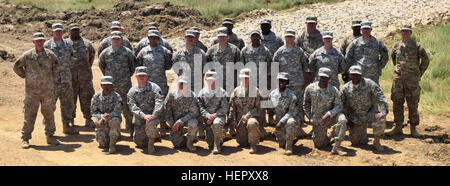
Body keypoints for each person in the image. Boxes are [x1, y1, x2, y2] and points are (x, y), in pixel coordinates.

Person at [14, 32, 60, 148]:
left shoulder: (50, 55)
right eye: (37, 41)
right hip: (32, 93)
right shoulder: (28, 55)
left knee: (49, 114)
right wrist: (25, 76)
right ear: (33, 42)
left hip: (47, 92)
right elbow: (16, 66)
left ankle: (50, 136)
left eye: (41, 40)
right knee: (29, 115)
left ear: (44, 42)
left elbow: (56, 68)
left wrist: (51, 81)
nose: (39, 42)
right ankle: (25, 138)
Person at [386, 24, 430, 138]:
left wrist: (418, 73)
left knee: (413, 104)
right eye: (403, 31)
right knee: (397, 103)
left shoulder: (417, 46)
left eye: (407, 31)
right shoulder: (396, 45)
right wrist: (398, 70)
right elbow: (393, 58)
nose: (405, 33)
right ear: (401, 33)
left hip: (412, 81)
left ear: (410, 33)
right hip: (398, 80)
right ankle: (398, 127)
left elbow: (426, 60)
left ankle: (413, 128)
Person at [99, 31, 137, 138]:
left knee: (127, 109)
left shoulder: (128, 52)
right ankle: (113, 132)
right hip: (110, 87)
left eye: (118, 39)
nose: (116, 41)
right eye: (114, 39)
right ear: (110, 40)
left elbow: (132, 66)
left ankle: (130, 130)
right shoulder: (105, 53)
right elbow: (102, 66)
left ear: (121, 40)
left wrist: (125, 76)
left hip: (125, 86)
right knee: (111, 109)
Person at [341, 65, 388, 151]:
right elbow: (342, 105)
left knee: (380, 119)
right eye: (353, 74)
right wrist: (347, 119)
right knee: (357, 143)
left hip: (369, 114)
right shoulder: (345, 88)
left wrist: (383, 112)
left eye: (357, 75)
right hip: (355, 117)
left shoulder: (369, 83)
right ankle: (362, 135)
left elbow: (381, 97)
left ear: (361, 75)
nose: (355, 76)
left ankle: (377, 142)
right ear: (349, 75)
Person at [273, 29, 309, 137]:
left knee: (298, 106)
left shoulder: (299, 51)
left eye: (291, 37)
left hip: (297, 83)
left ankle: (298, 128)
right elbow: (274, 67)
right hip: (284, 85)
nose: (289, 39)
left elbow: (305, 65)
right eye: (287, 37)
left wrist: (301, 79)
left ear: (294, 38)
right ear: (284, 38)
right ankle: (283, 128)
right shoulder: (279, 52)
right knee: (283, 106)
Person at [43, 23, 78, 135]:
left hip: (66, 80)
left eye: (60, 31)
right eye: (56, 31)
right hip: (52, 82)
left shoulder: (68, 44)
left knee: (67, 104)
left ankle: (66, 126)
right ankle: (49, 130)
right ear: (52, 32)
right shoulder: (47, 45)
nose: (58, 33)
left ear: (63, 32)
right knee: (49, 105)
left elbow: (71, 58)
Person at [304, 67, 348, 155]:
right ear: (318, 76)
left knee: (342, 119)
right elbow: (306, 104)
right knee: (320, 145)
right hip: (318, 119)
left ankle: (337, 147)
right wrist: (309, 117)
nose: (323, 79)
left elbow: (339, 106)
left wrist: (329, 114)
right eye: (322, 77)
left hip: (331, 117)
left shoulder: (334, 90)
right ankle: (330, 134)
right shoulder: (310, 88)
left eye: (326, 77)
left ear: (329, 78)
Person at [127, 66, 164, 154]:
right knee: (139, 143)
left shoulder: (155, 88)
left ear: (147, 76)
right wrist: (144, 116)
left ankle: (151, 143)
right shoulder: (132, 91)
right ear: (136, 76)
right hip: (140, 118)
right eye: (139, 76)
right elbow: (132, 106)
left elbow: (159, 103)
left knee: (150, 124)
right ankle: (155, 134)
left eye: (143, 75)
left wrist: (153, 115)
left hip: (152, 117)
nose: (142, 77)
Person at [240, 29, 273, 127]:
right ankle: (250, 122)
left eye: (257, 36)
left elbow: (269, 66)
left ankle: (262, 123)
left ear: (260, 37)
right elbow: (242, 66)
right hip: (249, 82)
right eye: (253, 36)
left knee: (262, 102)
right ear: (250, 38)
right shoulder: (245, 51)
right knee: (250, 103)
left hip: (262, 82)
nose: (255, 38)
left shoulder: (266, 51)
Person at [67, 23, 96, 128]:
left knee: (87, 99)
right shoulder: (65, 44)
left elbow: (91, 58)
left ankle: (88, 119)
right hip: (70, 79)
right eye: (73, 30)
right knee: (70, 99)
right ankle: (70, 120)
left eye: (77, 30)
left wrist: (84, 71)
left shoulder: (87, 44)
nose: (75, 32)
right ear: (69, 31)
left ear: (79, 31)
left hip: (85, 79)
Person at [229, 68, 264, 154]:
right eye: (243, 78)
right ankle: (247, 137)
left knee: (251, 123)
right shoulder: (236, 91)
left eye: (247, 78)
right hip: (240, 121)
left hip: (252, 119)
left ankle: (253, 145)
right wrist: (233, 121)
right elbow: (232, 108)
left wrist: (248, 116)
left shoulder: (256, 91)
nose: (245, 80)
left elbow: (259, 109)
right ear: (240, 78)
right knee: (242, 143)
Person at [197, 70, 229, 154]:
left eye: (213, 80)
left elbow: (225, 108)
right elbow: (200, 108)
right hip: (207, 119)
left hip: (218, 117)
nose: (211, 82)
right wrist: (207, 115)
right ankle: (220, 137)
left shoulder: (222, 92)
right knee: (209, 143)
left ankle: (217, 145)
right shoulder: (202, 93)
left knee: (216, 124)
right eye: (209, 80)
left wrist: (213, 116)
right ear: (206, 81)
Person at [165, 76, 200, 152]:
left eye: (184, 84)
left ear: (188, 85)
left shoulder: (193, 96)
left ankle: (190, 142)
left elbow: (194, 112)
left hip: (187, 120)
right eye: (180, 83)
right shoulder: (172, 95)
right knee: (177, 145)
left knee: (193, 123)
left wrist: (180, 121)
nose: (182, 86)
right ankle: (190, 136)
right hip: (175, 122)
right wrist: (172, 124)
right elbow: (167, 111)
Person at [270, 72, 302, 155]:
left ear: (287, 82)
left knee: (291, 122)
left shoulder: (292, 96)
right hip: (279, 123)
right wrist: (271, 119)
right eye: (279, 80)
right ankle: (285, 138)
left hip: (290, 120)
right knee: (281, 145)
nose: (281, 83)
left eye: (284, 81)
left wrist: (281, 122)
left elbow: (292, 111)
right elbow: (270, 109)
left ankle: (289, 146)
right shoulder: (272, 94)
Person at [90, 76, 122, 154]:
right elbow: (93, 112)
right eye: (104, 85)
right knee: (103, 144)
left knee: (115, 121)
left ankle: (112, 145)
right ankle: (114, 135)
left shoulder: (117, 96)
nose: (106, 87)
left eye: (108, 85)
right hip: (101, 120)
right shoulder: (96, 96)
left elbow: (117, 111)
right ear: (101, 85)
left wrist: (105, 117)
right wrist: (101, 117)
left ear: (112, 85)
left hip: (113, 118)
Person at [296, 16, 324, 88]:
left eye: (313, 23)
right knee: (303, 88)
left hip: (317, 67)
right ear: (306, 23)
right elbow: (295, 48)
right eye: (309, 23)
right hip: (305, 69)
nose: (311, 25)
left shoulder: (321, 36)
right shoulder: (301, 36)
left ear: (316, 24)